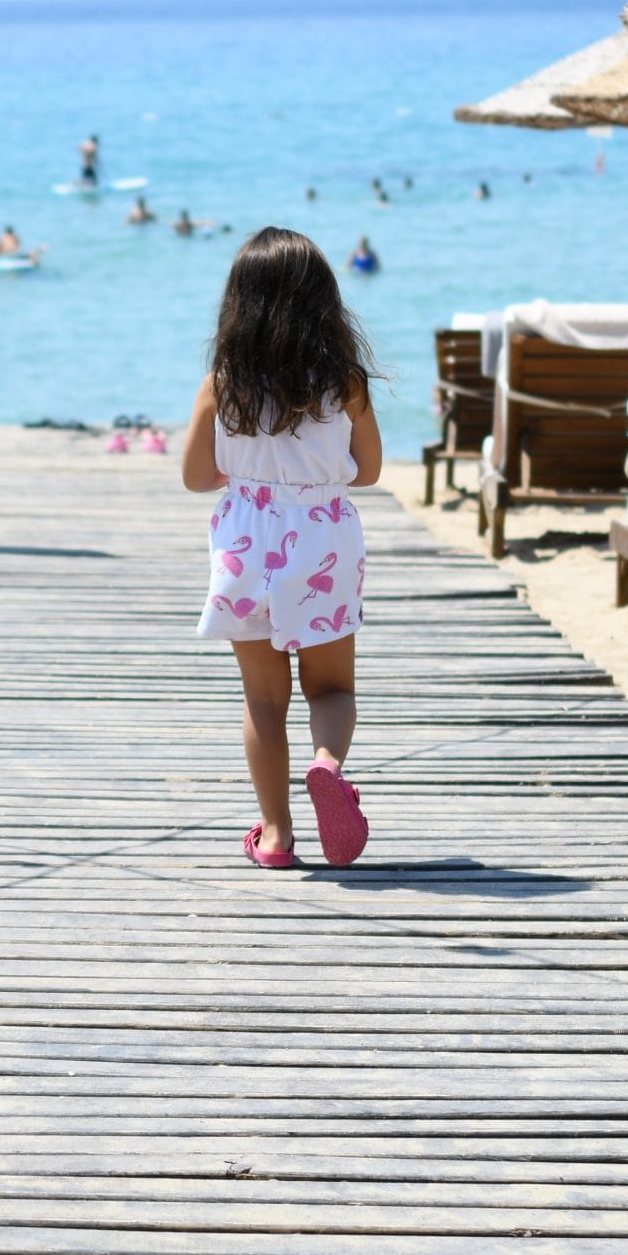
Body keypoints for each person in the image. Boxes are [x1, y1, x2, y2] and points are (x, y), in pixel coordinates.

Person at [181, 227, 383, 870]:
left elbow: (193, 476)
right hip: (321, 536)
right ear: (325, 302)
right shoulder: (344, 381)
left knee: (264, 699)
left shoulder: (222, 382)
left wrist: (238, 477)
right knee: (330, 688)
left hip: (247, 542)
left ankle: (275, 835)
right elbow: (370, 468)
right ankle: (326, 765)